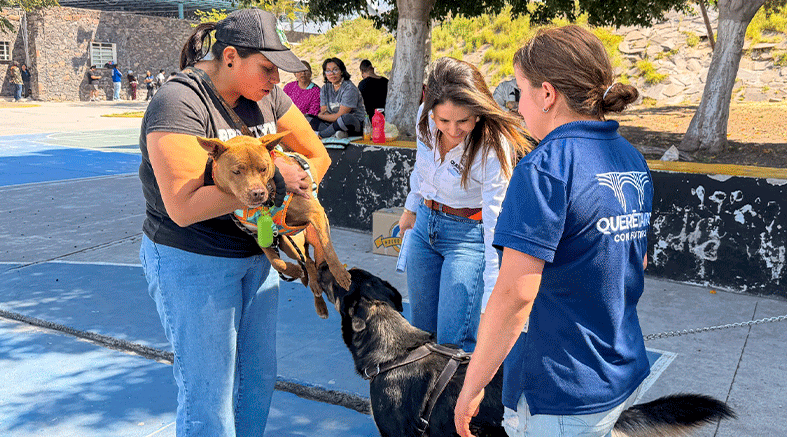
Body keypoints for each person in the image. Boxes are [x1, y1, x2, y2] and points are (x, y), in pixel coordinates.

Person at [138, 8, 328, 436]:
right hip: (193, 260)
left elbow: (318, 156)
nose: (276, 80)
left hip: (257, 258)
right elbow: (183, 207)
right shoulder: (179, 101)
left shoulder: (267, 97)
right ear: (229, 57)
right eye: (267, 68)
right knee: (209, 395)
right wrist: (272, 178)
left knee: (257, 382)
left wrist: (297, 192)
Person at [454, 25, 651, 437]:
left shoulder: (545, 167)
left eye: (520, 91)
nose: (519, 107)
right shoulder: (629, 156)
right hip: (619, 368)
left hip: (562, 388)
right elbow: (635, 260)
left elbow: (514, 295)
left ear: (547, 94)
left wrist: (473, 385)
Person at [398, 57, 530, 353]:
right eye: (443, 120)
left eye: (463, 121)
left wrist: (493, 291)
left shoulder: (494, 145)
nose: (453, 130)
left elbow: (497, 217)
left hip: (468, 236)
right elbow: (422, 169)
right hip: (424, 227)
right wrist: (411, 208)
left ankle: (460, 399)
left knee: (452, 342)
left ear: (479, 112)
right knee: (420, 332)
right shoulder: (425, 118)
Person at [309, 57, 365, 139]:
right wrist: (325, 116)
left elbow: (340, 115)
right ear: (325, 74)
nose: (332, 73)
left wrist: (321, 116)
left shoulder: (349, 88)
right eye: (328, 71)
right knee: (308, 118)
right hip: (332, 123)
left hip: (353, 124)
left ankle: (322, 135)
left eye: (335, 70)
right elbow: (324, 111)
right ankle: (336, 132)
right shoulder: (325, 88)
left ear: (342, 71)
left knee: (345, 118)